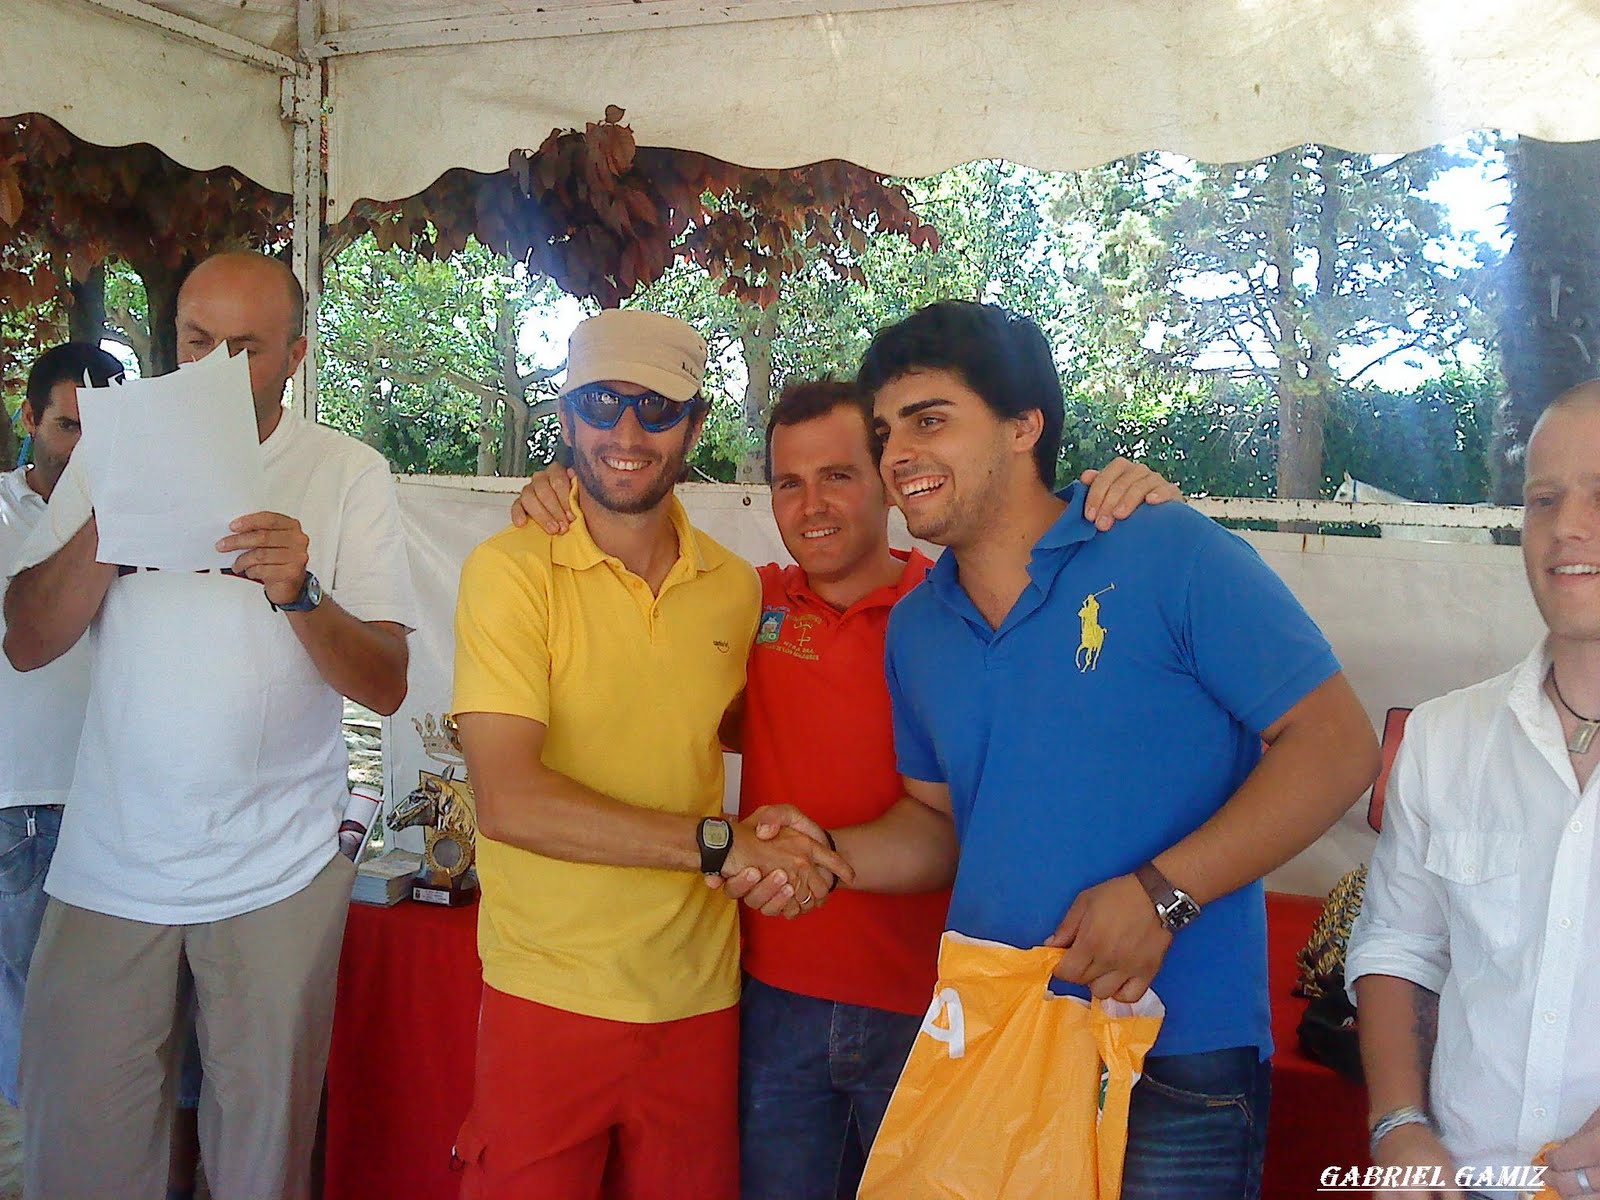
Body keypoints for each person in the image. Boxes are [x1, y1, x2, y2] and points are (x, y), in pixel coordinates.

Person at [738, 300, 1378, 1200]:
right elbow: (936, 822)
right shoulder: (920, 627)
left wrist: (1163, 896)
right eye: (886, 433)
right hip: (998, 1034)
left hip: (1176, 1050)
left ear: (1023, 426)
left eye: (929, 420)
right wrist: (826, 855)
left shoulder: (1165, 548)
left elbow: (1337, 745)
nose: (899, 454)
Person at [513, 374, 1180, 1199]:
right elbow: (636, 599)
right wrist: (562, 487)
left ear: (889, 479)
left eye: (838, 475)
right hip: (769, 1000)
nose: (812, 506)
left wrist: (1128, 496)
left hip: (930, 998)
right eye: (788, 483)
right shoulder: (743, 600)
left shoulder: (956, 608)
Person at [3, 250, 418, 1200]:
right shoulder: (109, 449)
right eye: (195, 340)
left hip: (277, 868)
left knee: (260, 1166)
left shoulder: (345, 471)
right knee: (79, 1155)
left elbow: (389, 685)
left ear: (297, 356)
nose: (215, 368)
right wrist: (109, 527)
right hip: (110, 861)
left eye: (246, 347)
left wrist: (302, 592)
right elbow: (25, 641)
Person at [450, 309, 851, 1200]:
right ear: (567, 419)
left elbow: (768, 719)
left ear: (694, 427)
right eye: (602, 403)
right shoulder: (509, 570)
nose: (627, 433)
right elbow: (508, 801)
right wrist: (721, 844)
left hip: (698, 998)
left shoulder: (736, 588)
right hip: (546, 994)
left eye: (657, 408)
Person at [1348, 380, 1600, 1200]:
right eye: (1544, 499)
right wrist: (1397, 1123)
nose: (1567, 526)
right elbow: (1398, 943)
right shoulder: (1444, 739)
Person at [0, 343, 126, 1107]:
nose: (85, 448)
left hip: (130, 802)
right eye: (68, 426)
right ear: (28, 418)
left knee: (124, 1026)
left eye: (102, 430)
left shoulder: (144, 514)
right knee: (43, 1031)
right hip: (29, 804)